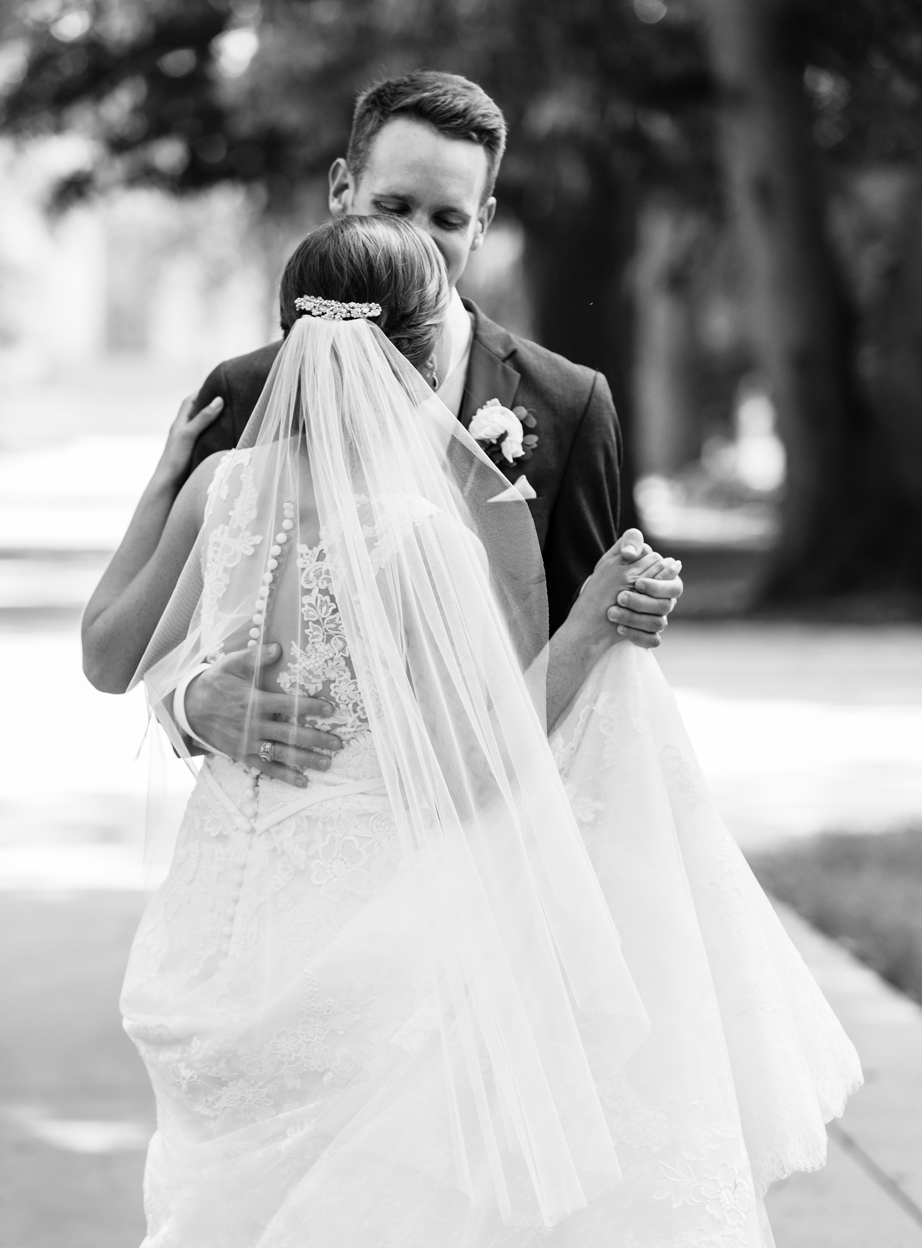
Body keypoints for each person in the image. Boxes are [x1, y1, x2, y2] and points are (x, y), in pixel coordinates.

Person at [88, 215, 859, 1248]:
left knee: (224, 1220)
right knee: (394, 1238)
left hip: (220, 922)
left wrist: (174, 580)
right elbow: (482, 763)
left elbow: (120, 653)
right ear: (410, 352)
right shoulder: (414, 530)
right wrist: (595, 627)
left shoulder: (223, 490)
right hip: (373, 916)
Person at [151, 70, 686, 780]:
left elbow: (584, 647)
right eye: (394, 205)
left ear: (485, 223)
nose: (417, 240)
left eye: (448, 218)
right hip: (296, 832)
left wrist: (629, 607)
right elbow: (160, 643)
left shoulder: (570, 404)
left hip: (498, 829)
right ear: (342, 190)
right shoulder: (246, 392)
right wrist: (187, 705)